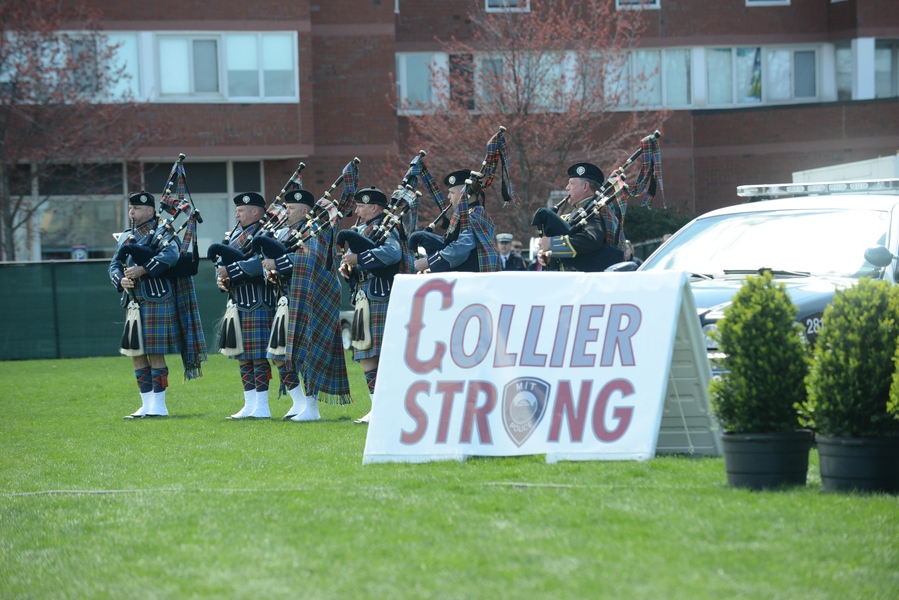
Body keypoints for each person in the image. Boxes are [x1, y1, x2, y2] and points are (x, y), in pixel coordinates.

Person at [339, 186, 414, 424]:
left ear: (374, 207)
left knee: (381, 354)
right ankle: (378, 407)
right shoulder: (363, 229)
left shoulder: (386, 227)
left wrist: (359, 258)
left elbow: (393, 254)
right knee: (366, 353)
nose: (357, 210)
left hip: (380, 297)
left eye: (361, 205)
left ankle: (389, 406)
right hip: (364, 297)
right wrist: (350, 270)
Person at [109, 191, 180, 419]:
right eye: (130, 208)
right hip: (133, 300)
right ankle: (146, 404)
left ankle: (160, 406)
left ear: (150, 211)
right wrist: (120, 279)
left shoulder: (163, 231)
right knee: (135, 353)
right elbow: (113, 265)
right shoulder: (124, 236)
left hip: (156, 297)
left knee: (154, 351)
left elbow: (171, 254)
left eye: (137, 208)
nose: (132, 212)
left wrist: (143, 269)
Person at [216, 192, 278, 419]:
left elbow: (258, 264)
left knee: (259, 355)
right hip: (237, 300)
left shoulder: (266, 233)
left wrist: (230, 271)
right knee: (242, 355)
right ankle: (249, 404)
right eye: (237, 211)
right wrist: (221, 277)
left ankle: (262, 406)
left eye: (241, 211)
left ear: (255, 212)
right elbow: (221, 261)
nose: (237, 214)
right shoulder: (233, 234)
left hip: (259, 300)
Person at [260, 189, 319, 420]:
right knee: (277, 355)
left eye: (291, 208)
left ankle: (313, 410)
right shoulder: (284, 233)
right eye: (286, 207)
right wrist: (271, 271)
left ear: (305, 211)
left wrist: (278, 263)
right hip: (284, 299)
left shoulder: (313, 231)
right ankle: (299, 403)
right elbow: (272, 263)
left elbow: (308, 259)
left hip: (306, 299)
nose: (286, 211)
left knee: (305, 356)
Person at [537, 162, 625, 272]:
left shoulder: (594, 209)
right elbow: (582, 253)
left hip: (588, 284)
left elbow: (591, 239)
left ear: (585, 186)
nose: (567, 187)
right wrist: (552, 256)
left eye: (571, 184)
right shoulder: (584, 210)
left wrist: (552, 243)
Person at [412, 170, 500, 273]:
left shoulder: (472, 215)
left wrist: (430, 262)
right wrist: (432, 268)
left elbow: (463, 246)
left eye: (452, 192)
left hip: (472, 281)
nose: (448, 196)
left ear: (466, 194)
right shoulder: (475, 213)